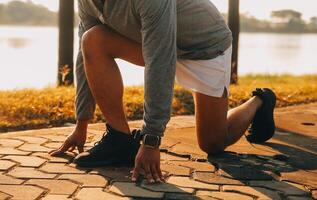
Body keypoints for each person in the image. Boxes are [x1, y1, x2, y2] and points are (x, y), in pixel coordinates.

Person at [49, 0, 276, 183]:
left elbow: (160, 61)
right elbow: (84, 55)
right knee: (92, 40)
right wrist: (81, 125)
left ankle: (259, 101)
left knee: (213, 143)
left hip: (203, 48)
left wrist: (151, 141)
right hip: (155, 45)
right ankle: (119, 140)